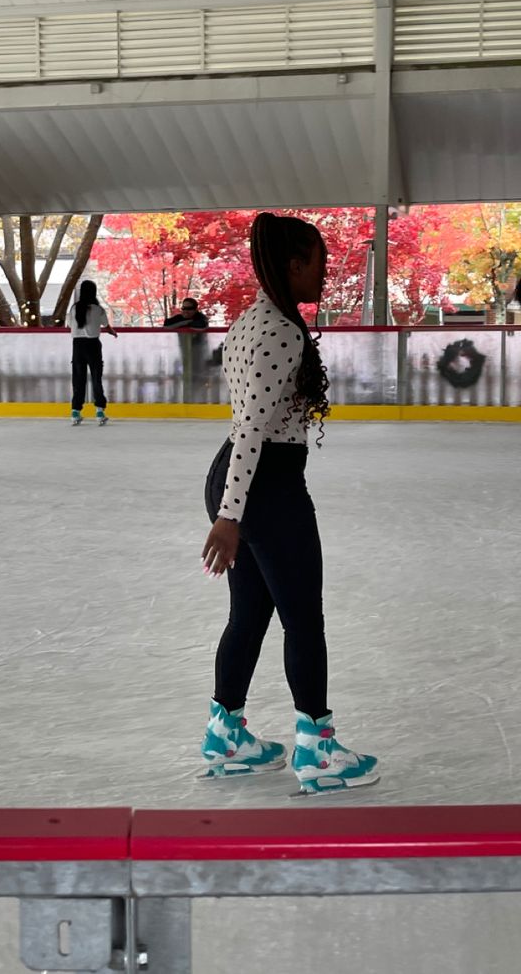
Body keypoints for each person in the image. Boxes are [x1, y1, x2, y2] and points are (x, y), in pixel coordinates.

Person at [199, 212, 379, 795]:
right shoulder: (281, 331)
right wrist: (232, 516)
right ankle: (318, 749)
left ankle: (226, 735)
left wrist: (231, 506)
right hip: (265, 486)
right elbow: (252, 426)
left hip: (238, 476)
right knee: (303, 616)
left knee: (249, 614)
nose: (325, 274)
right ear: (293, 264)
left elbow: (245, 422)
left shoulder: (252, 319)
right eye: (318, 263)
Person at [68, 279, 118, 426]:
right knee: (96, 378)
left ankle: (75, 411)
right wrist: (112, 332)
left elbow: (70, 326)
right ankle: (99, 410)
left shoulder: (74, 309)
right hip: (93, 345)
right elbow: (106, 326)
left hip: (77, 346)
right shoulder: (98, 309)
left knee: (78, 379)